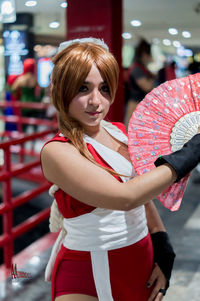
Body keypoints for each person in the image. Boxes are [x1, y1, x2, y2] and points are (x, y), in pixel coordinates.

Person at [40, 38, 200, 301]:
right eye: (83, 88)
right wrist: (191, 152)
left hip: (140, 259)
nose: (96, 101)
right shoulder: (57, 151)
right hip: (86, 272)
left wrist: (162, 244)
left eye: (104, 88)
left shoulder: (119, 132)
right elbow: (125, 197)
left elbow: (142, 198)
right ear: (61, 89)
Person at [124, 39, 155, 127]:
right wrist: (153, 78)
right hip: (135, 104)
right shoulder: (137, 69)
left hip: (138, 104)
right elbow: (147, 87)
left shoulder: (141, 68)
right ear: (145, 55)